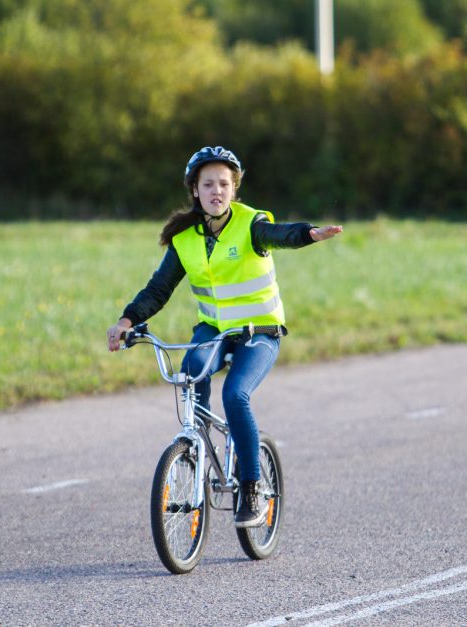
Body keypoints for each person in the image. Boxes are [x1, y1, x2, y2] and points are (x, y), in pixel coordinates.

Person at [108, 146, 342, 527]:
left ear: (234, 189)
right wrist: (126, 320)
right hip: (214, 331)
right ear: (195, 191)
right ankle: (196, 449)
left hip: (258, 332)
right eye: (208, 184)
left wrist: (309, 234)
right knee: (190, 372)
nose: (216, 191)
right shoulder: (185, 240)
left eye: (224, 184)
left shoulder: (251, 224)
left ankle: (250, 486)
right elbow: (158, 290)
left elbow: (280, 234)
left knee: (235, 395)